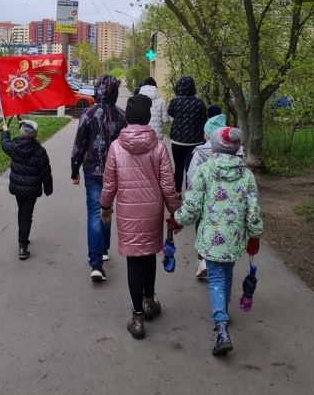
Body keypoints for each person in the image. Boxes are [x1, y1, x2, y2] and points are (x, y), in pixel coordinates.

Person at [170, 126, 263, 355]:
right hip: (233, 238)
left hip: (211, 239)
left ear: (214, 148)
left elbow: (192, 207)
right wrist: (254, 235)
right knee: (227, 272)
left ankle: (221, 329)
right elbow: (253, 211)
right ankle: (225, 309)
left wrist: (177, 220)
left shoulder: (205, 171)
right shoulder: (247, 175)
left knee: (215, 278)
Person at [99, 94, 179, 340]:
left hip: (128, 212)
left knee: (134, 260)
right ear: (148, 117)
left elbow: (109, 183)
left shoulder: (116, 146)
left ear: (127, 117)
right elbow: (168, 184)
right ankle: (149, 301)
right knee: (149, 254)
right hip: (152, 210)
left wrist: (105, 206)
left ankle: (137, 320)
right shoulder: (159, 146)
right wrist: (175, 211)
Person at [71, 74, 127, 281]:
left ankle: (96, 264)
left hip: (92, 170)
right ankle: (104, 249)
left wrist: (74, 170)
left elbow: (79, 145)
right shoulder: (122, 116)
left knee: (95, 212)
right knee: (107, 208)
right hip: (115, 172)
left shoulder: (88, 114)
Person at [0, 119, 53, 260]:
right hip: (32, 190)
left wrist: (5, 132)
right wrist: (48, 189)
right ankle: (22, 245)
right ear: (35, 134)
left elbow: (4, 144)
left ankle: (23, 237)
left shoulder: (14, 147)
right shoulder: (40, 151)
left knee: (21, 211)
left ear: (21, 133)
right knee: (27, 213)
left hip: (17, 187)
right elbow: (46, 172)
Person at [186, 112, 228, 280]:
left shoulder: (200, 151)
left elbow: (192, 175)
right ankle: (221, 257)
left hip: (204, 200)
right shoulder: (233, 152)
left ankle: (203, 260)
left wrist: (191, 195)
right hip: (226, 201)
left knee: (202, 227)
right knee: (223, 228)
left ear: (207, 134)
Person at [167, 75, 207, 195]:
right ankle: (189, 194)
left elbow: (171, 113)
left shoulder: (175, 101)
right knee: (191, 169)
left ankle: (177, 192)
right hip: (195, 141)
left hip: (177, 139)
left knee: (178, 167)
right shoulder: (199, 103)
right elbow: (204, 120)